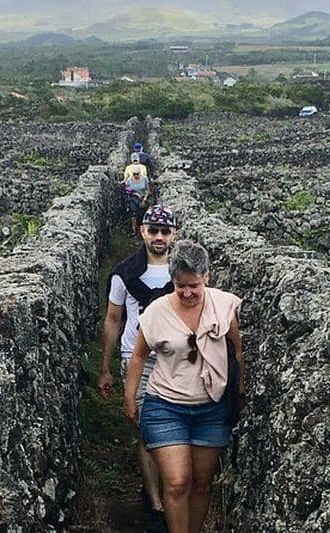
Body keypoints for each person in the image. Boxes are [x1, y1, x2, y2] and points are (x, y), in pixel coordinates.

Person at [123, 239, 243, 533]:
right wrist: (129, 397)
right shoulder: (156, 312)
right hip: (165, 406)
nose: (188, 293)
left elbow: (237, 350)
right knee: (177, 482)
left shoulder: (225, 306)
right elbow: (138, 356)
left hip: (211, 408)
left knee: (202, 482)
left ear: (206, 278)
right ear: (172, 282)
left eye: (194, 286)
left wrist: (239, 391)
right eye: (180, 286)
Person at [98, 205, 179, 533]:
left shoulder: (182, 272)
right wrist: (105, 367)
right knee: (147, 432)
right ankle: (156, 505)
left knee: (169, 431)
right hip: (138, 359)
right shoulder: (123, 274)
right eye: (153, 230)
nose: (158, 237)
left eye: (165, 231)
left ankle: (165, 493)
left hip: (176, 359)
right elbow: (114, 319)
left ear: (174, 234)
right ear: (141, 231)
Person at [122, 164, 150, 233]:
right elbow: (127, 190)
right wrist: (135, 194)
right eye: (134, 174)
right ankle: (134, 229)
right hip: (133, 198)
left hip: (143, 198)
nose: (136, 176)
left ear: (140, 173)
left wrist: (144, 199)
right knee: (133, 212)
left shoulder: (144, 179)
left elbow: (148, 190)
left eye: (137, 174)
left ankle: (143, 229)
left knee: (143, 213)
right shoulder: (129, 180)